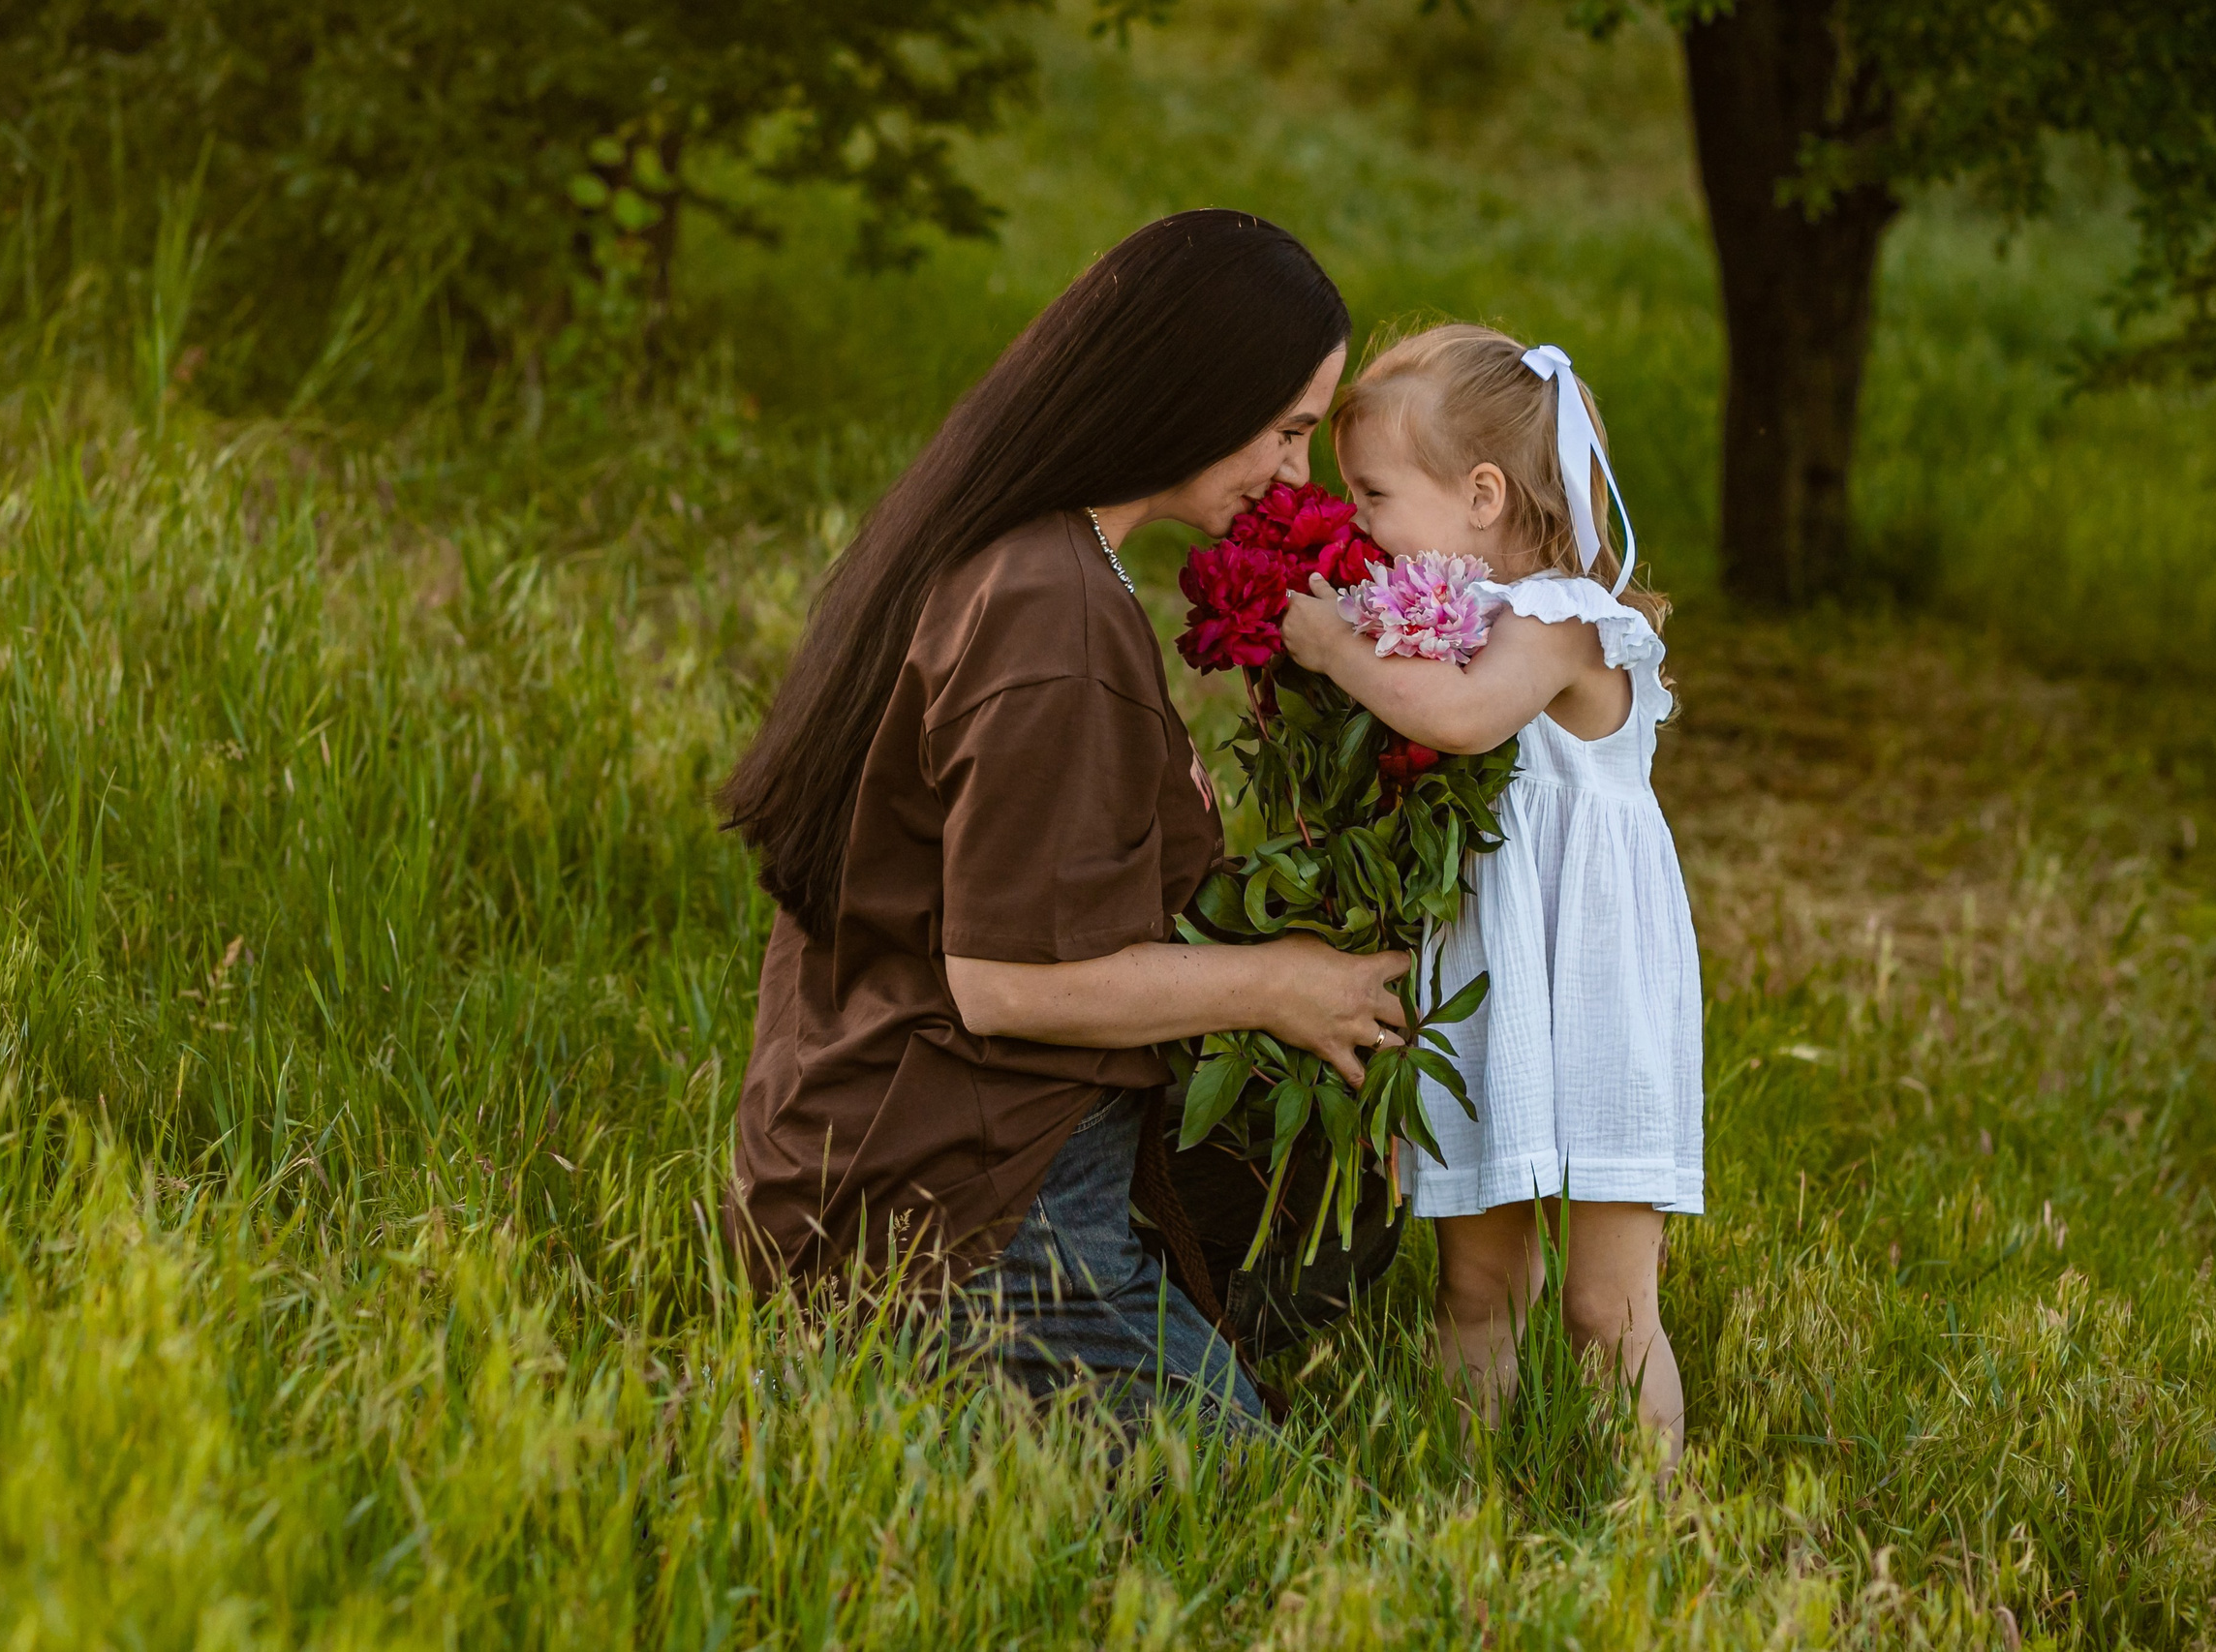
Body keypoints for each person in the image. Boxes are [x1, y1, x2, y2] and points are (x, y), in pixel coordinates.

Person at [716, 211, 1410, 1430]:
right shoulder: (1050, 613)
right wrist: (1281, 985)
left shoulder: (1017, 551)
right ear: (1196, 389)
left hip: (912, 1153)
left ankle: (914, 1372)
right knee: (1248, 1518)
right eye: (1288, 428)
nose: (1295, 475)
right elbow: (1007, 983)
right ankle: (891, 1375)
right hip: (973, 1206)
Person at [1279, 322, 1704, 1471]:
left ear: (1480, 494)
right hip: (1492, 984)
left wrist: (1330, 644)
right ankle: (1462, 1508)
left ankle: (1647, 1528)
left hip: (1600, 982)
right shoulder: (1468, 622)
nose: (1356, 519)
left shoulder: (1565, 618)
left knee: (1608, 1305)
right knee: (1476, 1282)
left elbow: (1461, 719)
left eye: (1371, 492)